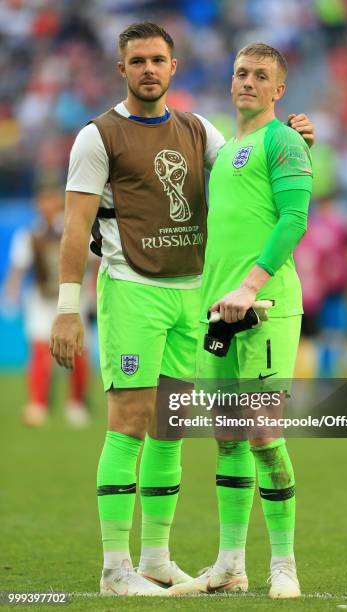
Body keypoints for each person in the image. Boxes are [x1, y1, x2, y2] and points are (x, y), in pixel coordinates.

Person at [49, 22, 315, 597]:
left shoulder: (199, 131)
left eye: (159, 60)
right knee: (130, 425)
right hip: (131, 288)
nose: (149, 69)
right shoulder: (97, 137)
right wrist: (67, 308)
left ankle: (156, 559)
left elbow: (246, 172)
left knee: (171, 430)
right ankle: (116, 569)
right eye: (137, 60)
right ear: (121, 68)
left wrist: (293, 140)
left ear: (174, 68)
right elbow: (74, 227)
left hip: (193, 296)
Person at [169, 43, 313, 599]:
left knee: (264, 434)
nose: (247, 82)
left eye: (261, 76)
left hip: (267, 309)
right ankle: (230, 564)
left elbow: (295, 218)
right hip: (218, 315)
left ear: (279, 90)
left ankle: (285, 564)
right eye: (240, 74)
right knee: (227, 438)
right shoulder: (230, 151)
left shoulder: (282, 140)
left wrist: (250, 285)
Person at [5, 184, 90, 428]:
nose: (48, 206)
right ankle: (39, 403)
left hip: (73, 299)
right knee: (41, 353)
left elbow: (93, 261)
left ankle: (76, 404)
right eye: (44, 201)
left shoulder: (74, 229)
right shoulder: (29, 235)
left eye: (53, 201)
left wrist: (93, 294)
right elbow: (18, 268)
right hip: (42, 301)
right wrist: (11, 295)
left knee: (76, 352)